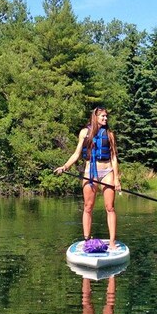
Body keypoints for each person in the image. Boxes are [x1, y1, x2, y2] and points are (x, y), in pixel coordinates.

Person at [54, 107, 121, 249]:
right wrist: (64, 167)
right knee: (88, 207)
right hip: (90, 171)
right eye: (102, 116)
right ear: (95, 117)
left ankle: (113, 242)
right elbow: (77, 154)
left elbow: (114, 157)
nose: (105, 119)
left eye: (106, 116)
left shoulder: (109, 134)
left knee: (110, 207)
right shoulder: (84, 133)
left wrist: (116, 179)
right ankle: (86, 240)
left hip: (107, 171)